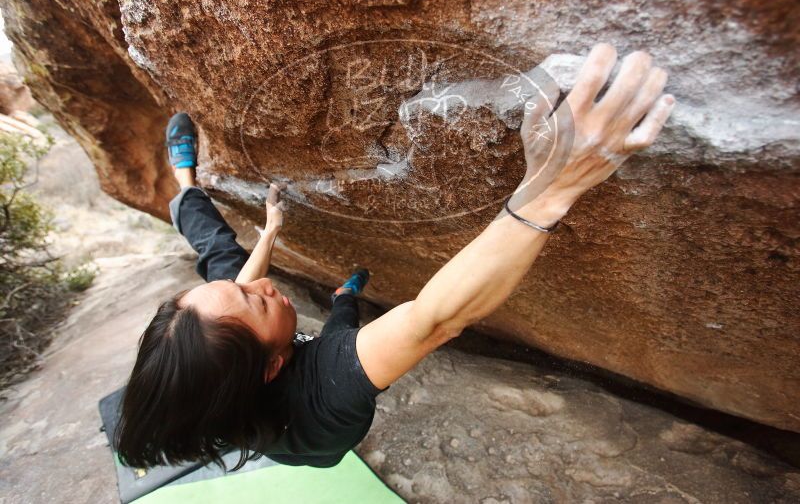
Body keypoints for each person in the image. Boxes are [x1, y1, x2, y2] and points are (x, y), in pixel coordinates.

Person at [116, 43, 674, 470]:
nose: (260, 284)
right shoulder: (325, 390)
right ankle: (336, 300)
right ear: (272, 368)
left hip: (241, 374)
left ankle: (185, 182)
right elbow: (437, 316)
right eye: (254, 300)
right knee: (335, 324)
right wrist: (552, 188)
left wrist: (269, 234)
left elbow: (232, 298)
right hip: (314, 437)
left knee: (217, 251)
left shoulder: (197, 378)